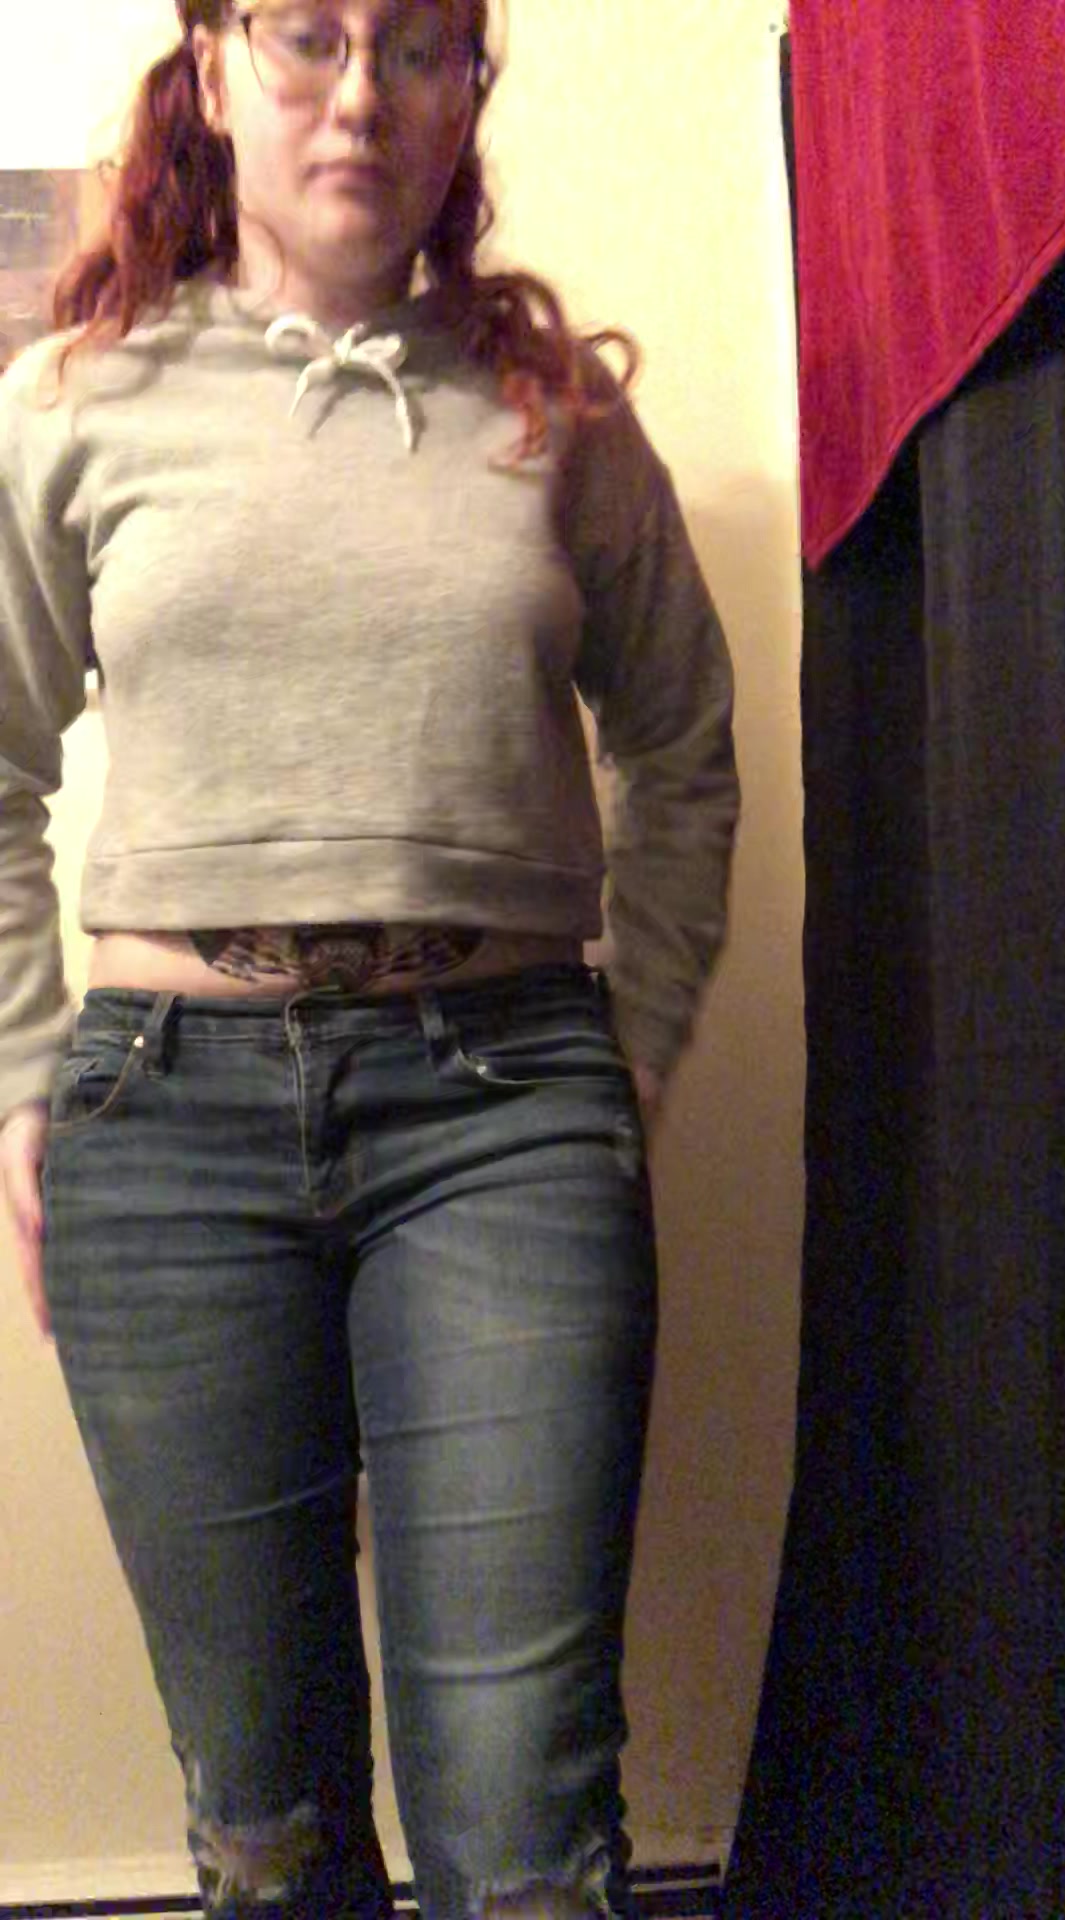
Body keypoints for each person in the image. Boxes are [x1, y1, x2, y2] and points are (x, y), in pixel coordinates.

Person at [0, 3, 739, 1916]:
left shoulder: (555, 417)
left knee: (524, 1834)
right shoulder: (76, 400)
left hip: (506, 1122)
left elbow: (682, 745)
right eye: (310, 36)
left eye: (417, 47)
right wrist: (21, 1069)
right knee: (268, 1824)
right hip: (166, 1136)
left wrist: (633, 1050)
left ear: (467, 88)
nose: (359, 95)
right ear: (215, 66)